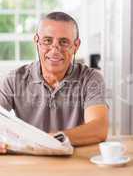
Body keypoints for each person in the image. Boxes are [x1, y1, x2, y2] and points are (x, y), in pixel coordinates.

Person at [0, 11, 108, 153]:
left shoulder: (91, 79)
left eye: (63, 42)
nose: (55, 49)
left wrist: (53, 139)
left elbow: (99, 128)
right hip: (29, 161)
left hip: (74, 160)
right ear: (37, 41)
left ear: (76, 46)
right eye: (47, 41)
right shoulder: (14, 79)